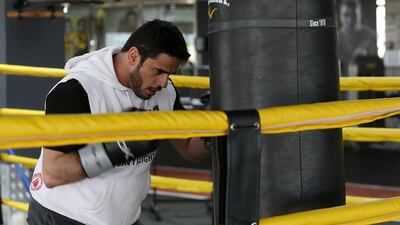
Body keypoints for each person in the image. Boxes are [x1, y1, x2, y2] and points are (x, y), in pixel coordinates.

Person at [27, 19, 209, 225]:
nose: (164, 82)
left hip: (122, 217)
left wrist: (213, 122)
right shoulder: (76, 91)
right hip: (64, 215)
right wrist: (117, 149)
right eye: (158, 71)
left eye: (170, 74)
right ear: (133, 55)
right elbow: (53, 174)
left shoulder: (164, 92)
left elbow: (191, 151)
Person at [337, 0, 377, 76]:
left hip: (365, 82)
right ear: (340, 16)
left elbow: (375, 65)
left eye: (353, 15)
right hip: (342, 83)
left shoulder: (370, 36)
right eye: (346, 15)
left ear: (360, 14)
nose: (350, 20)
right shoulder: (336, 38)